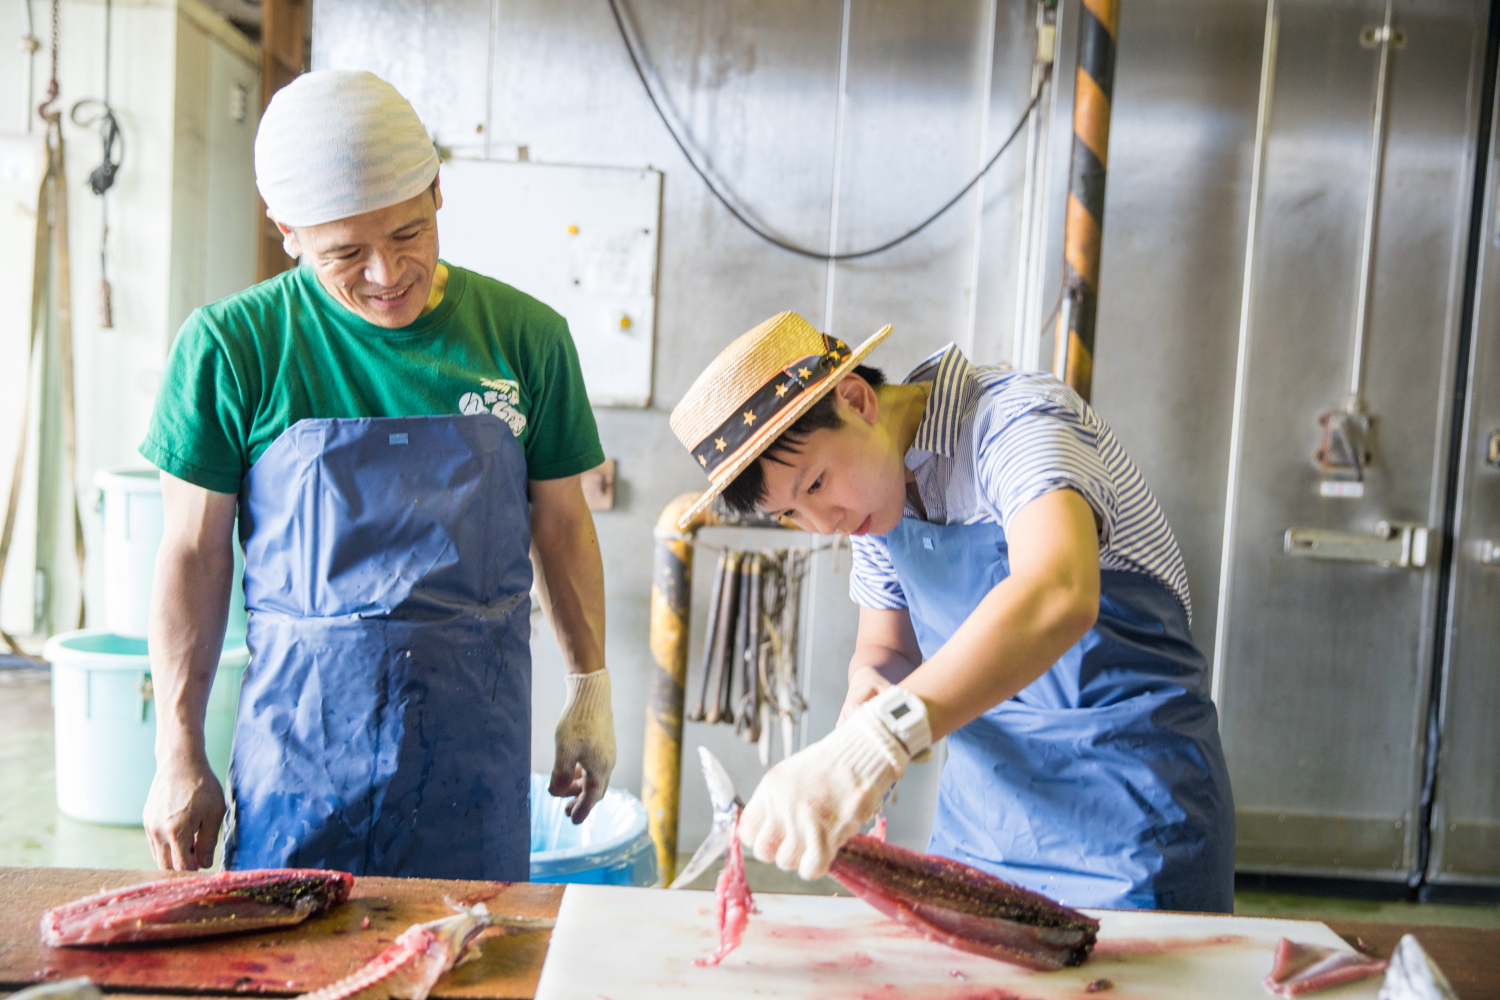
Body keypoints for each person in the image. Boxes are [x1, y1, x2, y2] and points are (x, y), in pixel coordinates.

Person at [139, 70, 614, 880]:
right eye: (346, 254)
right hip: (300, 753)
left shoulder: (527, 337)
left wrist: (591, 689)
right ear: (287, 229)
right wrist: (178, 750)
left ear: (437, 191)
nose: (387, 273)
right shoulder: (232, 346)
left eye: (408, 234)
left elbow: (561, 524)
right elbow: (194, 555)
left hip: (476, 751)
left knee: (472, 955)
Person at [667, 311, 1234, 911]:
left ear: (856, 400)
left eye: (814, 485)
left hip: (1135, 824)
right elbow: (887, 650)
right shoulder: (877, 500)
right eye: (790, 514)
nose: (824, 525)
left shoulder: (1013, 423)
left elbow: (1058, 590)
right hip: (985, 830)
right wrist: (859, 719)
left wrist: (887, 734)